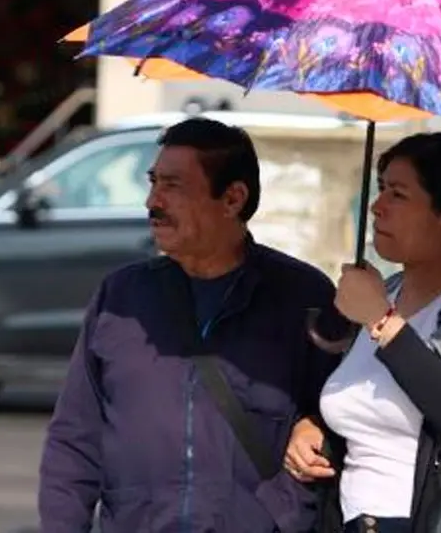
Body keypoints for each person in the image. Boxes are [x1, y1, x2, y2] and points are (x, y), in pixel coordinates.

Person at [38, 117, 348, 533]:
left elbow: (351, 416)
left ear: (233, 198)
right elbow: (75, 436)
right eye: (154, 182)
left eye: (173, 186)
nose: (153, 201)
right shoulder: (122, 297)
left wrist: (315, 428)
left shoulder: (302, 296)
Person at [283, 132, 441, 533]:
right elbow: (365, 403)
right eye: (381, 188)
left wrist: (381, 320)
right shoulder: (388, 291)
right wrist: (312, 426)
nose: (377, 206)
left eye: (398, 195)